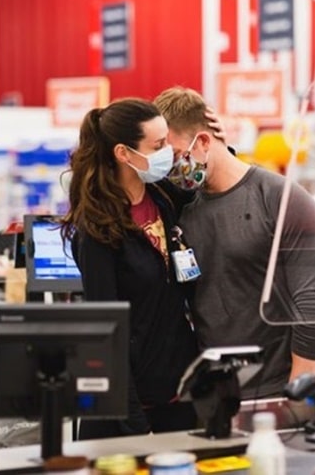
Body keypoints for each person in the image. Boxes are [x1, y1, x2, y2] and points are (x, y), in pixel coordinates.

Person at [155, 86, 315, 399]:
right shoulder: (180, 207)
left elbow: (310, 298)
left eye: (174, 156)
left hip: (276, 390)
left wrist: (300, 386)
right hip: (211, 391)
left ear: (202, 141)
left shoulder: (279, 197)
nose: (171, 169)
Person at [60, 98, 199, 439]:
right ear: (123, 153)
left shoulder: (163, 197)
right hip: (132, 412)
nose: (169, 151)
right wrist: (137, 426)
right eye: (158, 145)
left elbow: (206, 182)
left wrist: (219, 142)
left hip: (178, 392)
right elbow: (106, 337)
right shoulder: (97, 231)